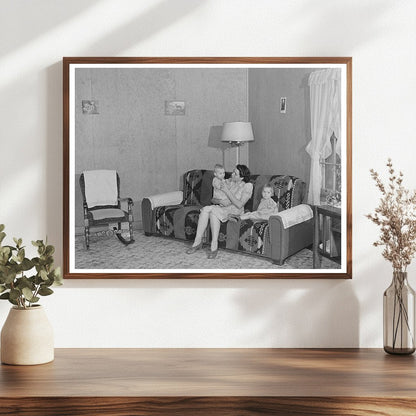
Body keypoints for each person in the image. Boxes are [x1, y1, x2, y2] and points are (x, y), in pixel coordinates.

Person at [186, 164, 253, 259]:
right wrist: (221, 201)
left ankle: (201, 243)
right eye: (233, 171)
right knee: (211, 212)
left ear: (241, 177)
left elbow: (239, 204)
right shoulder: (227, 181)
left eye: (235, 173)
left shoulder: (248, 186)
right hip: (222, 209)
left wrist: (226, 191)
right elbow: (213, 199)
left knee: (207, 210)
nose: (232, 174)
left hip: (235, 211)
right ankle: (207, 244)